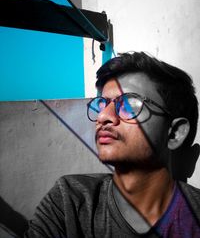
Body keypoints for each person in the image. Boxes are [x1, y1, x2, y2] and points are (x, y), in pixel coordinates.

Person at [25, 52, 200, 238]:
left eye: (129, 105)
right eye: (102, 104)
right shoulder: (70, 201)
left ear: (174, 134)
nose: (102, 117)